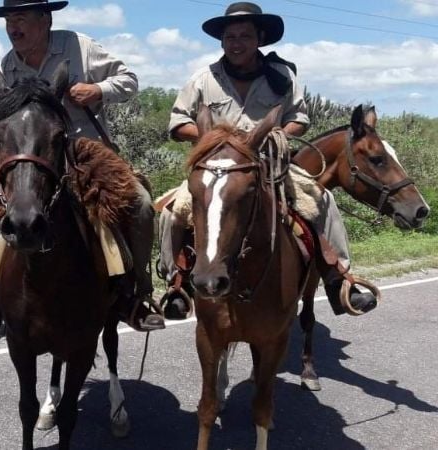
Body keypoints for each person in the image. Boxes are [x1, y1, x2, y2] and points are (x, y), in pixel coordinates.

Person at [0, 0, 165, 335]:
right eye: (8, 20)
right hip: (29, 163)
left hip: (87, 156)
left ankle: (137, 294)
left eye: (20, 18)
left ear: (45, 19)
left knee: (140, 203)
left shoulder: (80, 47)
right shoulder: (7, 68)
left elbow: (129, 80)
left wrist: (98, 90)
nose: (12, 28)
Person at [160, 1, 377, 318]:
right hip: (218, 170)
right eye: (230, 37)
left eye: (244, 36)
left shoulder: (282, 76)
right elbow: (177, 123)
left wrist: (279, 134)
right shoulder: (202, 80)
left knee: (324, 200)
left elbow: (299, 118)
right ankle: (175, 285)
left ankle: (339, 281)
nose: (237, 43)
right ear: (222, 41)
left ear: (259, 38)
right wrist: (216, 140)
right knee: (171, 211)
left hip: (272, 165)